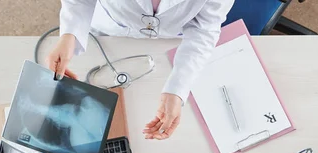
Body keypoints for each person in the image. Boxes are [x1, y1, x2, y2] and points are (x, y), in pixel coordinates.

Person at [46, 0, 235, 140]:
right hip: (109, 32)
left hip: (169, 39)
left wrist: (177, 89)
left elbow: (204, 29)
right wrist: (70, 35)